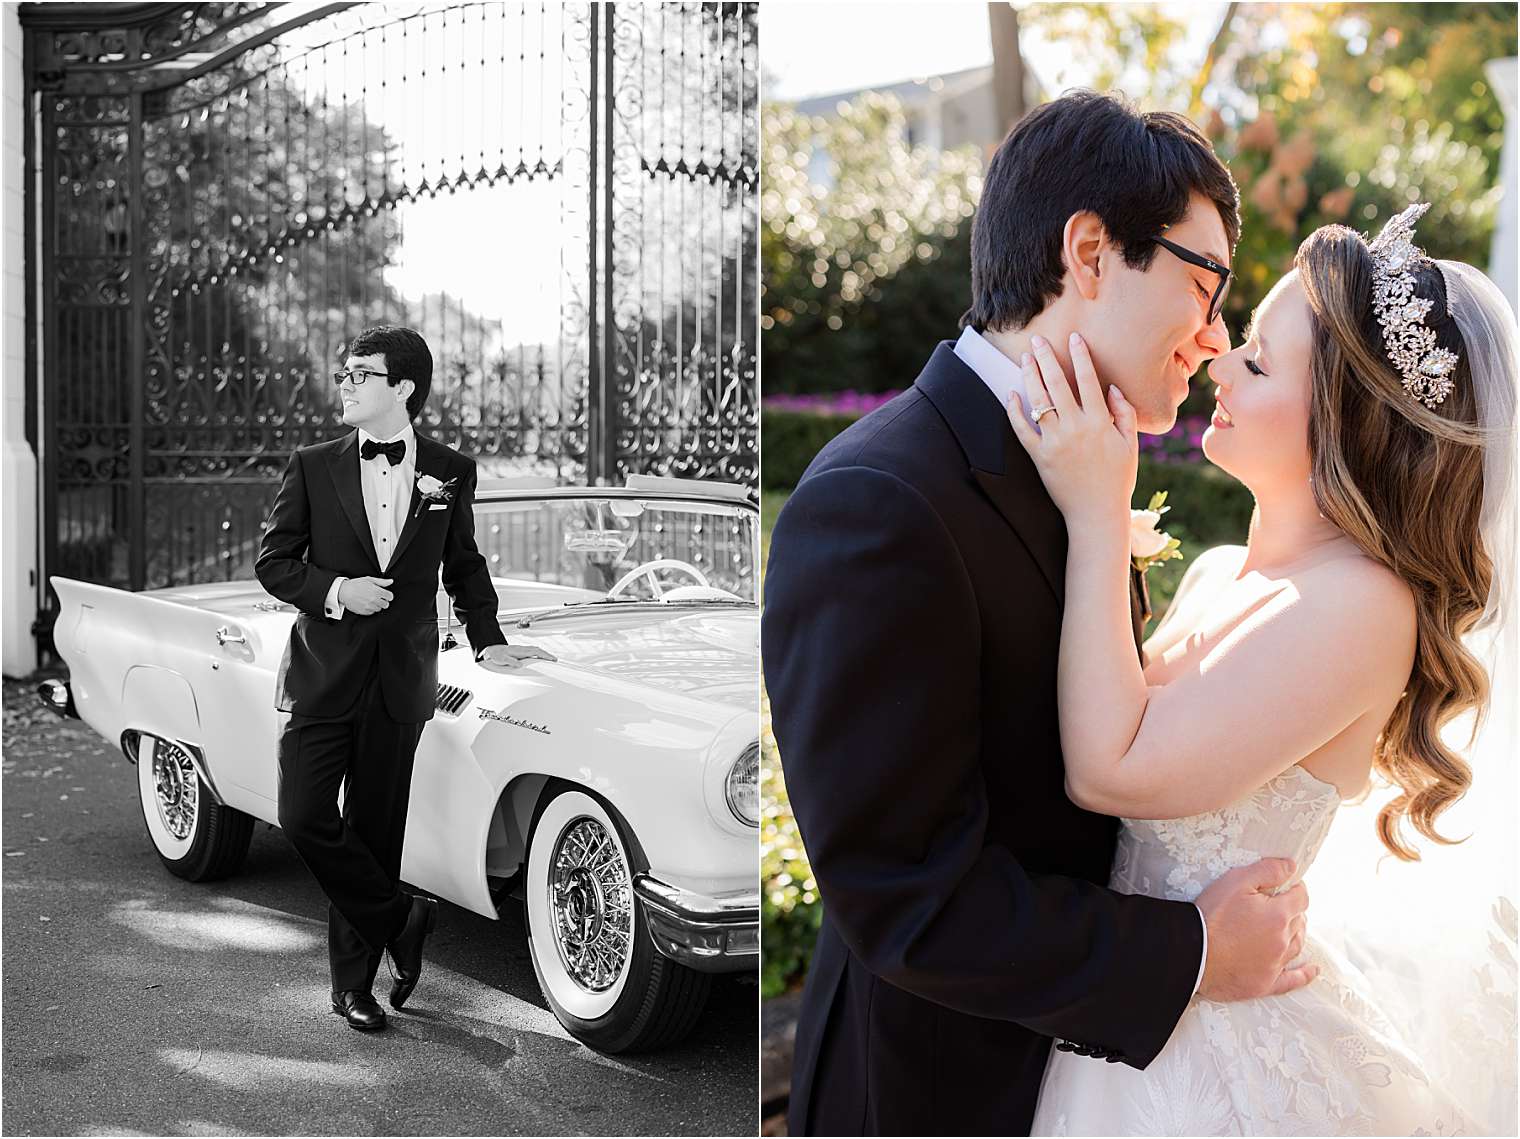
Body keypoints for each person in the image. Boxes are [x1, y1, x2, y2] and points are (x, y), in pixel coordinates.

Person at [762, 91, 1313, 1136]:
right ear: (1091, 252)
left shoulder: (1081, 462)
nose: (1213, 335)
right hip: (937, 1092)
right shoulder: (878, 500)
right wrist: (1189, 949)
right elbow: (902, 891)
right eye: (1205, 283)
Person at [1015, 203, 1515, 1134]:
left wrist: (1095, 511)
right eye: (1239, 341)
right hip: (1124, 1010)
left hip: (1217, 1069)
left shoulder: (1365, 606)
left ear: (1346, 418)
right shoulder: (1212, 574)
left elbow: (1107, 767)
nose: (1219, 361)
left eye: (1260, 358)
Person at [255, 324, 555, 1032]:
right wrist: (336, 591)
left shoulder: (449, 469)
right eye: (345, 371)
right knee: (303, 815)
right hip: (321, 675)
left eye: (360, 373)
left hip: (401, 678)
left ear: (402, 389)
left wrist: (489, 641)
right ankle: (401, 916)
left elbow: (464, 563)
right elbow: (274, 562)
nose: (345, 383)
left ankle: (353, 987)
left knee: (375, 829)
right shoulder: (311, 464)